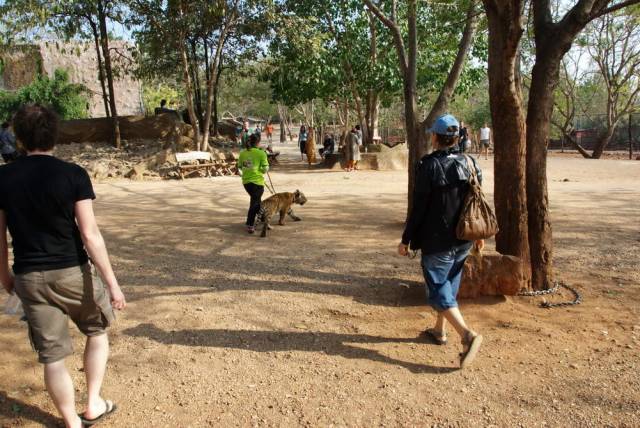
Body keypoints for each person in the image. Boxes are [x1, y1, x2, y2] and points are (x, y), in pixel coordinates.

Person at [0, 104, 125, 427]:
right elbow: (89, 234)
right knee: (97, 332)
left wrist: (5, 277)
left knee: (52, 357)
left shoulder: (3, 178)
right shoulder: (73, 174)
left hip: (29, 277)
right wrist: (112, 284)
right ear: (55, 135)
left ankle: (71, 421)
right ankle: (93, 403)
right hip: (73, 272)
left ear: (20, 138)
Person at [397, 113, 483, 369]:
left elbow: (419, 207)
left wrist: (406, 239)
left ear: (435, 137)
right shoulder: (470, 162)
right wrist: (479, 236)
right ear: (456, 138)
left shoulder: (429, 165)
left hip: (437, 241)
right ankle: (439, 330)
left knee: (437, 290)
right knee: (449, 284)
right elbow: (477, 202)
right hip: (464, 238)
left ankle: (467, 335)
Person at [238, 134, 269, 234]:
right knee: (255, 203)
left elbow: (240, 167)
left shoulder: (242, 153)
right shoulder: (261, 153)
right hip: (257, 183)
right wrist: (259, 169)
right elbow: (265, 169)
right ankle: (250, 224)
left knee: (257, 202)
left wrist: (250, 169)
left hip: (246, 182)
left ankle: (264, 220)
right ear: (258, 142)